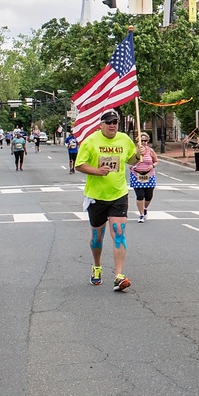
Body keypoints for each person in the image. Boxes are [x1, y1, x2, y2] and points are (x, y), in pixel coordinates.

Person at [75, 109, 140, 292]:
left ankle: (119, 276)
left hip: (118, 194)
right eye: (109, 122)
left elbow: (132, 160)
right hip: (96, 196)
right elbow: (79, 164)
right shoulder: (91, 141)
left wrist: (139, 154)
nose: (112, 125)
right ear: (101, 124)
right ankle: (97, 266)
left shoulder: (124, 140)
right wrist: (97, 171)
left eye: (115, 122)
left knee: (118, 232)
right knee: (97, 237)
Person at [129, 133, 158, 221]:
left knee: (148, 196)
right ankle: (141, 214)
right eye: (142, 141)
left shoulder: (150, 150)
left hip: (149, 175)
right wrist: (131, 166)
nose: (144, 142)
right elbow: (129, 161)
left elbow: (156, 161)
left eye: (145, 141)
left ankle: (145, 208)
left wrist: (152, 166)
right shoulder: (133, 151)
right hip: (136, 175)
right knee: (140, 195)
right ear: (138, 141)